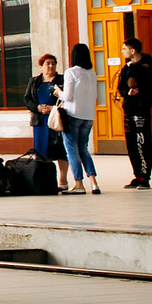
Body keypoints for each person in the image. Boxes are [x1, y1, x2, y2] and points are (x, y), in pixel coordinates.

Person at [58, 42, 101, 195]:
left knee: (72, 150)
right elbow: (95, 96)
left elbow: (68, 96)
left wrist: (58, 92)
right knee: (83, 149)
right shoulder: (92, 73)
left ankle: (78, 183)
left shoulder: (71, 72)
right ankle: (94, 183)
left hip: (72, 115)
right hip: (88, 116)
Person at [117, 35, 152, 189]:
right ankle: (137, 175)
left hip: (141, 109)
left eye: (124, 49)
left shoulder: (146, 64)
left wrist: (132, 68)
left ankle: (145, 176)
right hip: (129, 108)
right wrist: (127, 92)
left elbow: (147, 81)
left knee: (142, 142)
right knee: (131, 143)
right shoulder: (126, 68)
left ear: (133, 51)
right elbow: (121, 87)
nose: (122, 52)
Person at [29, 54, 67, 191]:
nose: (50, 66)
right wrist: (37, 107)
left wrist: (53, 108)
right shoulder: (34, 82)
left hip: (57, 119)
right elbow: (27, 99)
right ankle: (47, 181)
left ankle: (63, 180)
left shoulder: (62, 79)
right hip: (40, 121)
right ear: (41, 67)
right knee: (43, 151)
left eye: (53, 63)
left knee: (60, 150)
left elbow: (68, 97)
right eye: (47, 64)